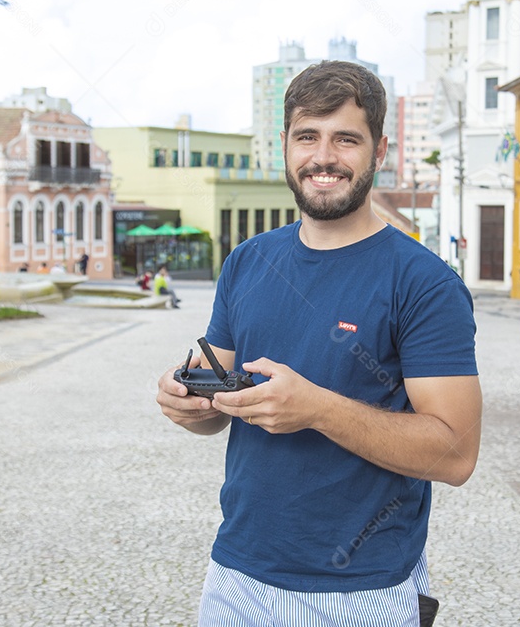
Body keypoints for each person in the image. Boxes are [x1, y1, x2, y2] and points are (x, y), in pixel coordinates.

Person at [156, 61, 481, 626]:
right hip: (236, 574)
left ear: (379, 152)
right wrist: (188, 400)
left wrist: (317, 410)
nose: (323, 157)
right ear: (284, 145)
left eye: (346, 139)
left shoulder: (425, 283)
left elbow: (455, 455)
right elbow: (219, 402)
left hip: (363, 588)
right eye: (308, 136)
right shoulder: (247, 261)